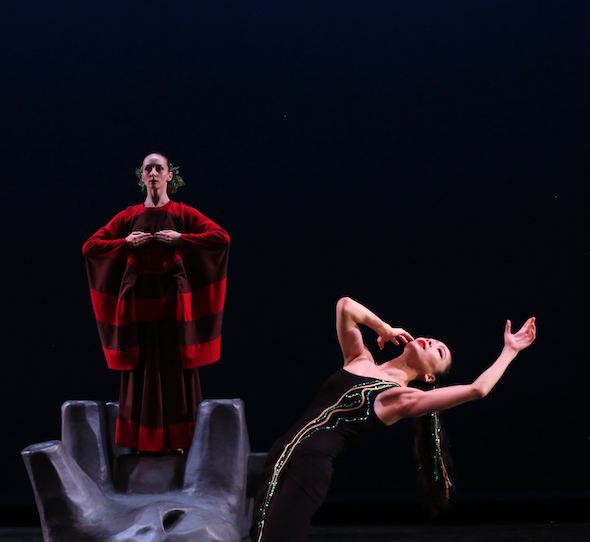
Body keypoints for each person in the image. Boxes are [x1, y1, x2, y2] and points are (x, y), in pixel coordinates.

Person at [251, 297, 537, 542]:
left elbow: (478, 389)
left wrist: (510, 350)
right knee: (259, 535)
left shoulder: (400, 399)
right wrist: (383, 328)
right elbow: (345, 306)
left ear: (428, 377)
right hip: (280, 455)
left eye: (438, 351)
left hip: (310, 465)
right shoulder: (359, 359)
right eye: (433, 339)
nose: (430, 341)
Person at [82, 153, 230, 453]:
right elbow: (90, 246)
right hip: (139, 310)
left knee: (177, 376)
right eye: (147, 168)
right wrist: (124, 244)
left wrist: (182, 239)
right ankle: (143, 444)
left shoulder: (183, 213)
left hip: (174, 311)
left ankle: (181, 442)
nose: (152, 173)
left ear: (169, 176)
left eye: (158, 168)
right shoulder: (128, 215)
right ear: (141, 176)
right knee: (141, 376)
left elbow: (221, 237)